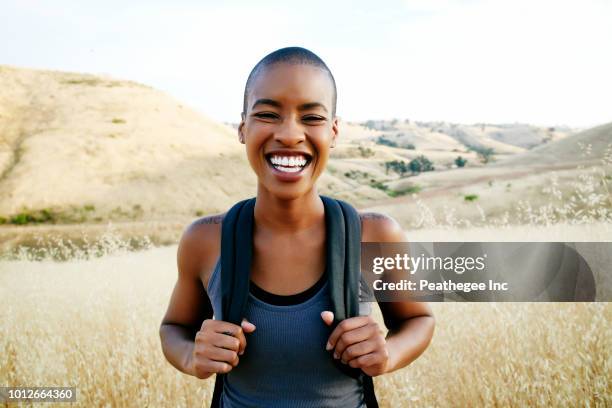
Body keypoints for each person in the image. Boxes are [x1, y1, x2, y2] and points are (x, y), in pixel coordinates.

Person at [159, 46, 435, 407]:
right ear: (243, 129)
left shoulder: (375, 235)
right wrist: (191, 356)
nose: (290, 134)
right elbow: (173, 329)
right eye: (268, 114)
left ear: (334, 131)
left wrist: (388, 353)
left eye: (312, 117)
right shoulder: (206, 240)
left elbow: (419, 320)